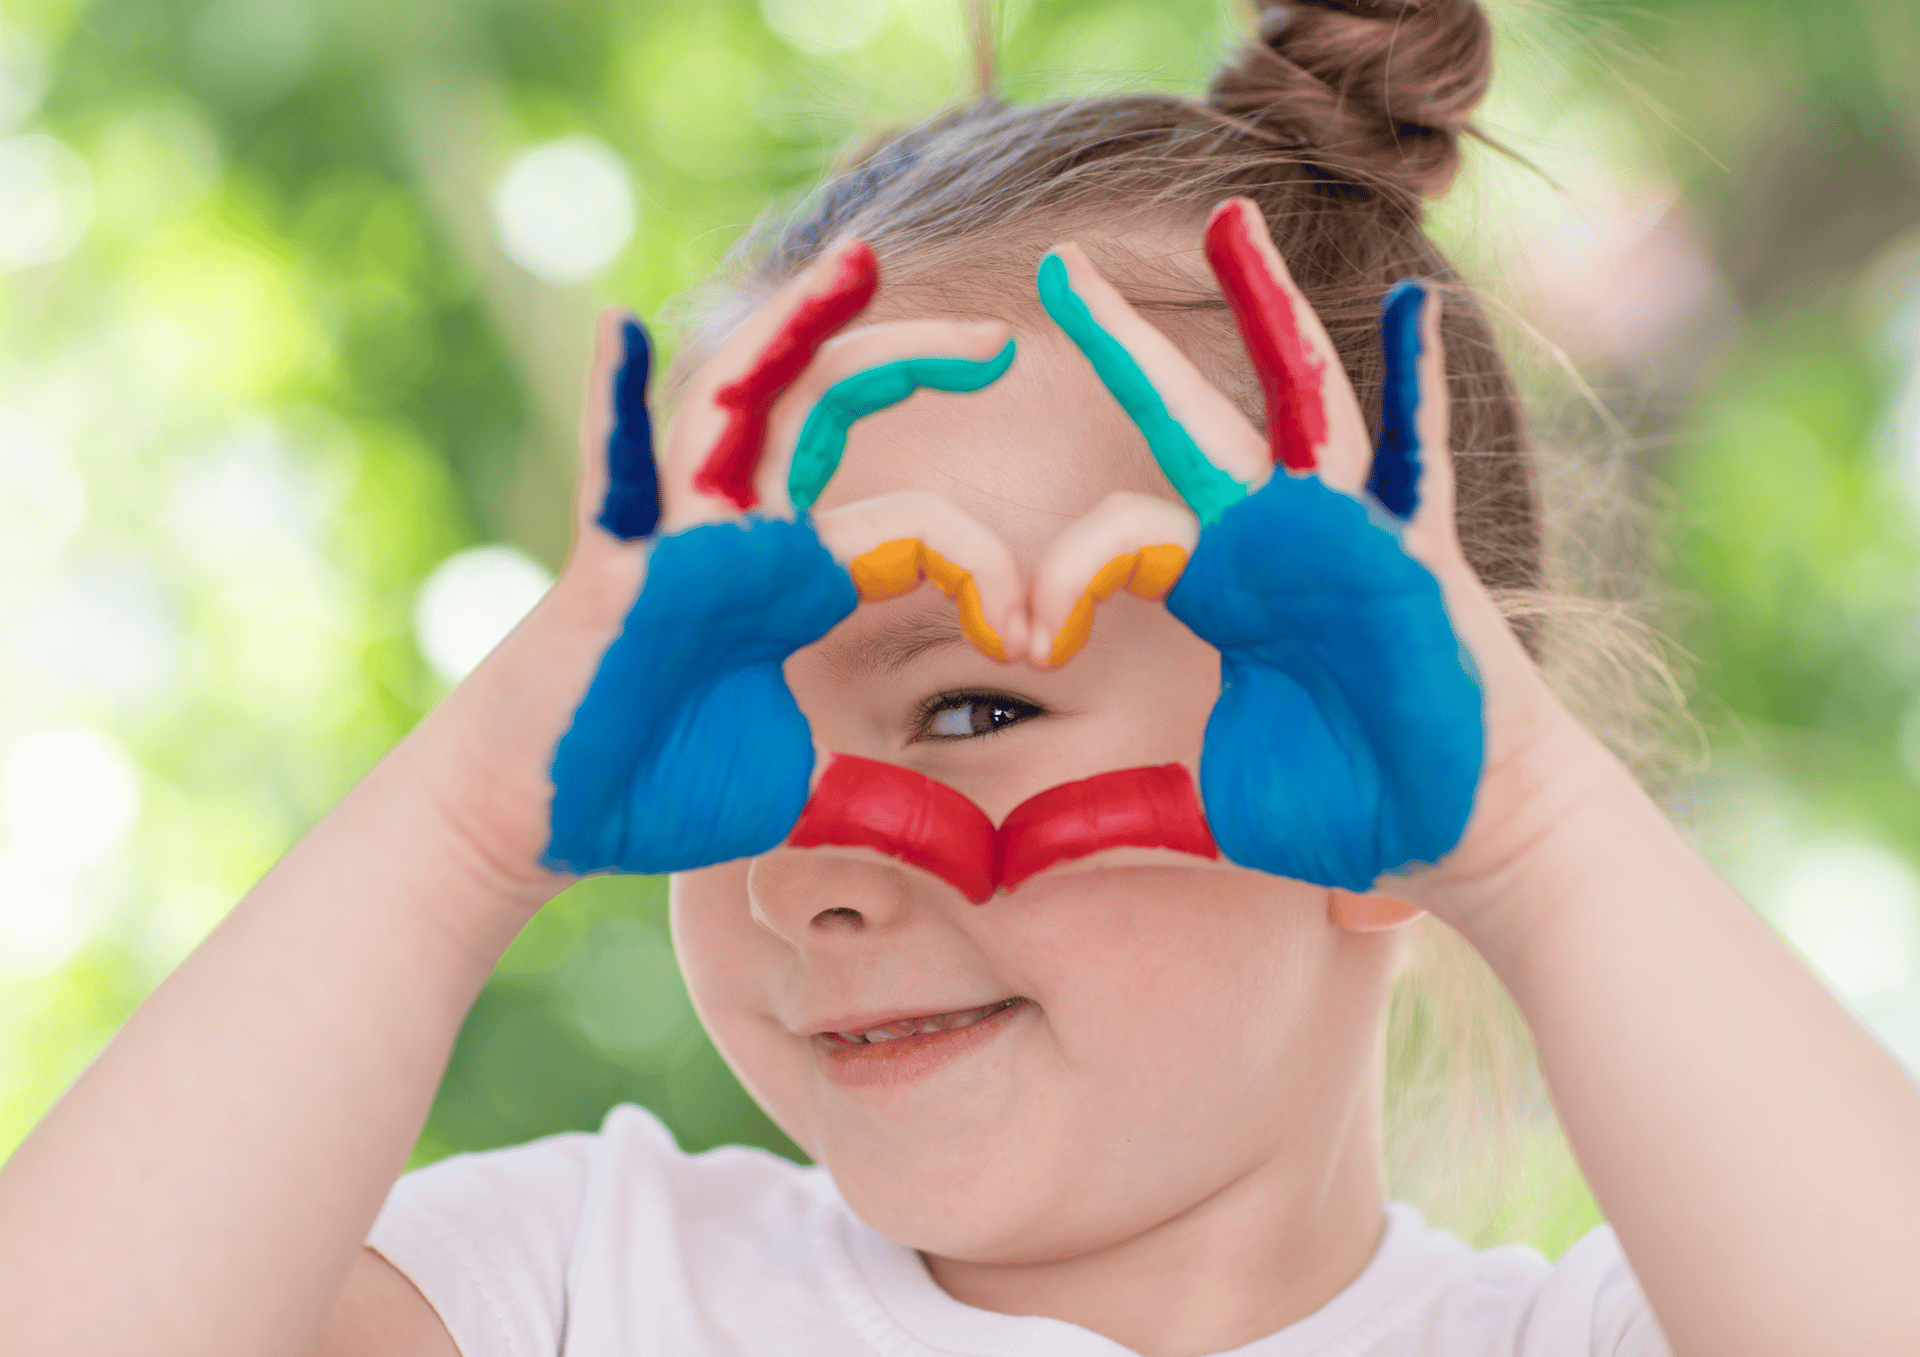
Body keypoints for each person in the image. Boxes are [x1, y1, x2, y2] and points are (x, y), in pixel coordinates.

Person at [4, 1, 1918, 1354]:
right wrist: (459, 823)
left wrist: (1536, 834)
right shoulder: (572, 1283)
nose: (804, 866)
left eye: (972, 709)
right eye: (719, 721)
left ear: (1371, 758)